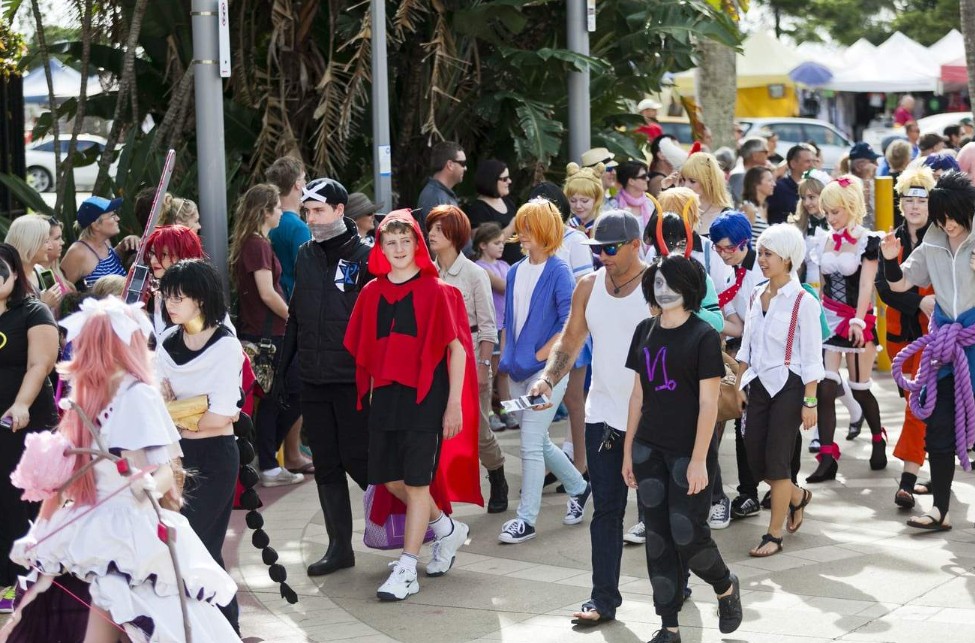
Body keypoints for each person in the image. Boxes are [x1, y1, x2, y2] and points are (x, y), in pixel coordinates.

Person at [2, 296, 239, 641]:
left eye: (95, 342)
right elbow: (65, 480)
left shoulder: (139, 394)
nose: (86, 349)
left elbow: (165, 469)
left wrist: (147, 487)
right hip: (87, 524)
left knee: (144, 620)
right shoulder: (85, 397)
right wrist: (37, 532)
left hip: (131, 529)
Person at [344, 211, 479, 600]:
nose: (399, 248)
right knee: (391, 479)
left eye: (406, 241)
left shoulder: (438, 291)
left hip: (426, 399)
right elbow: (365, 350)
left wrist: (453, 404)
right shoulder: (370, 293)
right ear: (381, 248)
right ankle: (445, 529)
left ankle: (407, 568)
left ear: (418, 244)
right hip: (385, 398)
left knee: (418, 482)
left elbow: (457, 352)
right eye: (391, 242)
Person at [528, 210, 649, 625]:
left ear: (636, 245)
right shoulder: (588, 286)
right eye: (598, 249)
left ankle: (676, 584)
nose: (604, 257)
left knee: (663, 513)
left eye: (612, 249)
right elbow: (571, 339)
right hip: (602, 417)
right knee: (608, 511)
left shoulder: (657, 286)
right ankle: (602, 599)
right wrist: (547, 381)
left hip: (652, 419)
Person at [621, 255, 742, 642]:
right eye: (656, 281)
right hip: (648, 450)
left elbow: (709, 405)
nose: (662, 288)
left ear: (690, 287)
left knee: (687, 533)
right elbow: (638, 395)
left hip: (687, 453)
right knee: (657, 539)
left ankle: (724, 585)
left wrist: (698, 461)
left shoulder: (703, 335)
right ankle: (668, 625)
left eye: (671, 281)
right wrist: (627, 453)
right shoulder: (644, 330)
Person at [272, 177, 371, 577]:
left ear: (339, 211)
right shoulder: (304, 254)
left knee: (362, 462)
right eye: (307, 212)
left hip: (351, 378)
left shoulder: (366, 256)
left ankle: (418, 525)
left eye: (318, 211)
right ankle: (338, 547)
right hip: (313, 378)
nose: (311, 219)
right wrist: (283, 372)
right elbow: (296, 316)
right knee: (326, 463)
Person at [881, 170, 975, 531]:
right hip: (947, 344)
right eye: (942, 217)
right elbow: (903, 280)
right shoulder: (934, 237)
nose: (948, 225)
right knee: (936, 425)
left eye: (954, 218)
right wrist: (890, 258)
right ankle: (940, 509)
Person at [154, 259, 243, 632]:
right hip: (175, 458)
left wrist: (177, 414)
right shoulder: (167, 342)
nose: (171, 304)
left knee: (200, 547)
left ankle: (226, 630)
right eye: (167, 297)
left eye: (180, 297)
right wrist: (192, 412)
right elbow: (157, 403)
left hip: (215, 458)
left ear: (202, 299)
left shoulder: (225, 344)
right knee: (181, 547)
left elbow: (222, 416)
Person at [497, 199, 591, 544]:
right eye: (521, 227)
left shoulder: (559, 270)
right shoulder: (515, 270)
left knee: (530, 445)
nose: (521, 234)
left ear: (544, 231)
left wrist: (541, 356)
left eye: (528, 227)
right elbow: (510, 320)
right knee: (537, 439)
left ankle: (526, 519)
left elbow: (573, 322)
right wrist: (506, 364)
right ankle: (580, 488)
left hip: (547, 373)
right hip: (518, 369)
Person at [736, 224, 824, 557]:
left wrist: (810, 401)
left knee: (777, 462)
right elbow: (747, 343)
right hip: (757, 384)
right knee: (754, 456)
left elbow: (813, 355)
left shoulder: (804, 301)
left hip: (790, 385)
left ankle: (773, 534)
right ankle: (798, 497)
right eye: (759, 253)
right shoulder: (757, 293)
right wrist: (740, 382)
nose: (761, 260)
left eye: (767, 254)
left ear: (787, 258)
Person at [427, 205, 509, 513]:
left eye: (439, 229)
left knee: (477, 429)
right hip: (438, 361)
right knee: (438, 430)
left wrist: (484, 366)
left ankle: (497, 473)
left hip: (472, 353)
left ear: (456, 234)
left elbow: (488, 327)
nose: (432, 234)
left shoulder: (475, 273)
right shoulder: (428, 273)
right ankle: (439, 496)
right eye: (431, 228)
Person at [806, 175, 886, 483]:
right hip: (829, 320)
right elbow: (824, 285)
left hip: (857, 319)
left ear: (851, 207)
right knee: (825, 387)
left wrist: (858, 319)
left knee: (859, 388)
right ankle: (827, 456)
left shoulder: (868, 240)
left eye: (835, 211)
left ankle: (878, 438)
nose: (830, 218)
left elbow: (867, 284)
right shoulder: (823, 239)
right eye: (826, 212)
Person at [229, 184, 303, 487]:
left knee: (278, 397)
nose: (282, 212)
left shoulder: (254, 243)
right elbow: (267, 293)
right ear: (265, 211)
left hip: (264, 332)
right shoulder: (257, 245)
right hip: (267, 334)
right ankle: (269, 463)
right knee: (281, 396)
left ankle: (267, 459)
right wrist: (294, 318)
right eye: (277, 207)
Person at [0, 243, 59, 614]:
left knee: (20, 502)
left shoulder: (33, 311)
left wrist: (20, 403)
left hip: (24, 424)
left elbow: (40, 364)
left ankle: (21, 580)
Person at [876, 166, 936, 510]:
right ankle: (935, 467)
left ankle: (907, 481)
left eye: (921, 199)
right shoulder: (890, 239)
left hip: (935, 338)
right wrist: (919, 301)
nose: (914, 206)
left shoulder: (942, 238)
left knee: (918, 406)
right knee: (916, 405)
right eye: (908, 199)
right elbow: (887, 291)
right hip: (901, 336)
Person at [709, 212, 766, 520]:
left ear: (744, 242)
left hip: (769, 360)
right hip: (746, 356)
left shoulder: (761, 269)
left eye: (728, 247)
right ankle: (749, 492)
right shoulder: (734, 269)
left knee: (773, 428)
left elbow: (755, 323)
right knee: (743, 426)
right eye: (718, 248)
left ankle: (785, 486)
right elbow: (733, 312)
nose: (722, 253)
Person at [472, 223, 517, 431]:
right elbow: (506, 286)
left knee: (503, 369)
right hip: (489, 326)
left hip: (505, 324)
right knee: (489, 369)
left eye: (502, 242)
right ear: (482, 245)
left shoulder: (505, 265)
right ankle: (488, 411)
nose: (501, 246)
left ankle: (506, 409)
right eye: (496, 243)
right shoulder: (480, 268)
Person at [60, 196, 140, 290]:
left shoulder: (105, 242)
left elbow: (106, 264)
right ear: (96, 225)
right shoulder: (78, 252)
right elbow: (62, 289)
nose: (117, 218)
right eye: (112, 216)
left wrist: (124, 245)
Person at [265, 156, 311, 301]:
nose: (306, 184)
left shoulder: (265, 222)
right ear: (297, 184)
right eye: (304, 179)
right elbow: (307, 275)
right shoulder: (299, 228)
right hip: (292, 304)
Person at [465, 159, 520, 265]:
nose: (509, 181)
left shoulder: (508, 202)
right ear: (491, 181)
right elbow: (480, 245)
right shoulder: (478, 209)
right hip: (494, 271)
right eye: (504, 179)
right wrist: (512, 226)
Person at [4, 215, 62, 314]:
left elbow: (56, 312)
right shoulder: (7, 278)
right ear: (31, 244)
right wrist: (43, 304)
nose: (50, 246)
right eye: (46, 241)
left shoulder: (42, 272)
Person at [676, 153, 733, 234]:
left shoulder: (727, 217)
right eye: (683, 180)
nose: (685, 186)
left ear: (709, 182)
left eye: (692, 181)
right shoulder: (679, 210)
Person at [417, 141, 466, 232]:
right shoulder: (434, 197)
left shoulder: (441, 194)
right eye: (462, 163)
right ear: (450, 165)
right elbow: (438, 239)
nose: (465, 168)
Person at [766, 144, 816, 225]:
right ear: (793, 164)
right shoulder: (778, 189)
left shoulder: (814, 188)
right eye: (807, 161)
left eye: (813, 161)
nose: (812, 165)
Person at [609, 160, 655, 232]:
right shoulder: (613, 206)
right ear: (631, 181)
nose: (647, 179)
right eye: (643, 176)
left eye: (647, 175)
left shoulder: (650, 203)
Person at [565, 162, 606, 238]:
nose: (578, 206)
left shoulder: (605, 227)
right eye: (573, 200)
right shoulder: (566, 227)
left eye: (584, 201)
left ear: (597, 198)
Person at [728, 136, 770, 206]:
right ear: (755, 155)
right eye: (765, 152)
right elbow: (742, 202)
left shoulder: (748, 174)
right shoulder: (739, 175)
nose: (768, 155)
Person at [741, 166, 775, 245]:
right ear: (756, 183)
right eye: (769, 180)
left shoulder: (763, 207)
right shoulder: (748, 208)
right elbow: (741, 240)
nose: (774, 184)